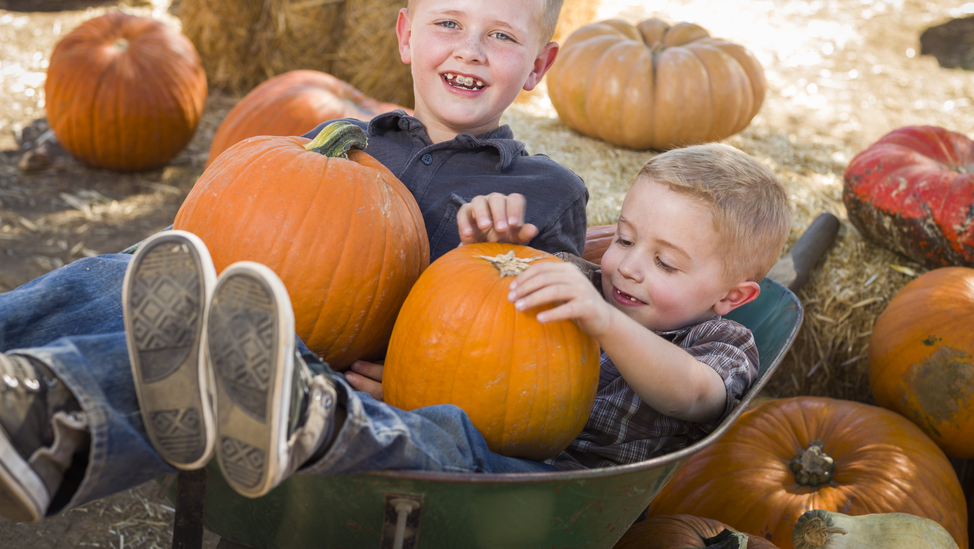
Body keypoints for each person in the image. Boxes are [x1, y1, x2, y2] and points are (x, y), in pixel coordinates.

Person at [0, 0, 588, 522]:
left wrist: (506, 260)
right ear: (407, 36)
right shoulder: (333, 145)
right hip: (253, 338)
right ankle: (19, 387)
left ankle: (56, 430)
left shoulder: (544, 194)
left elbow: (550, 366)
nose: (470, 49)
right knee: (136, 276)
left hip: (337, 401)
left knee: (233, 356)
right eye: (449, 24)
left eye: (501, 36)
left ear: (540, 66)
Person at [116, 139, 792, 502]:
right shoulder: (588, 283)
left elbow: (696, 395)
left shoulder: (719, 341)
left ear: (733, 295)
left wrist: (601, 321)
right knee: (415, 414)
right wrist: (487, 247)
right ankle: (252, 394)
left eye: (666, 262)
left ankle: (304, 420)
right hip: (471, 431)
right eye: (626, 238)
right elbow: (479, 334)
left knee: (451, 444)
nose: (628, 267)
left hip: (547, 490)